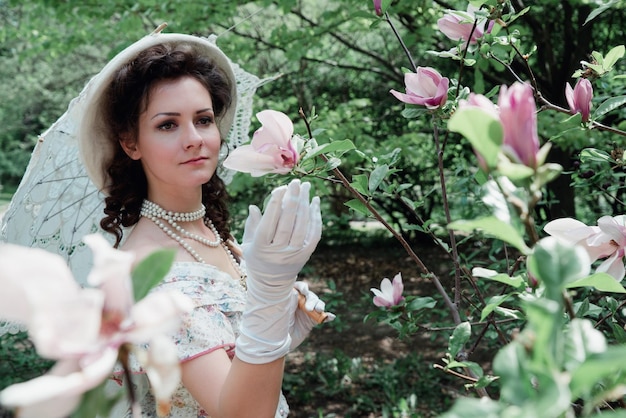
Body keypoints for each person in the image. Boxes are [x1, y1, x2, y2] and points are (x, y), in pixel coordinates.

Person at [76, 28, 332, 417]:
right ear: (130, 143)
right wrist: (269, 306)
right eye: (168, 125)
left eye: (203, 119)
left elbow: (230, 370)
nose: (194, 138)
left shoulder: (213, 233)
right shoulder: (151, 271)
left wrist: (276, 320)